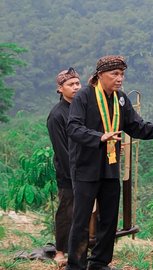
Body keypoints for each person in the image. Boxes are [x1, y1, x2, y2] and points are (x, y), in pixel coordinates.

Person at [66, 55, 153, 270]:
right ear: (100, 75)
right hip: (86, 167)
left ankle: (99, 262)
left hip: (110, 166)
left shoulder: (121, 99)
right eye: (115, 74)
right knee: (81, 220)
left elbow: (136, 126)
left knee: (109, 219)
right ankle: (75, 265)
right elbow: (73, 128)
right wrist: (99, 137)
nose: (120, 79)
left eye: (122, 74)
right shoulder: (84, 97)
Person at [46, 67, 82, 265]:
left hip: (87, 169)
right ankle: (60, 251)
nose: (76, 87)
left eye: (77, 83)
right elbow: (62, 150)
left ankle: (83, 248)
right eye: (71, 84)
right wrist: (74, 174)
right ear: (60, 89)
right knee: (67, 210)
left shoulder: (82, 107)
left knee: (86, 210)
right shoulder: (57, 115)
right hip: (67, 171)